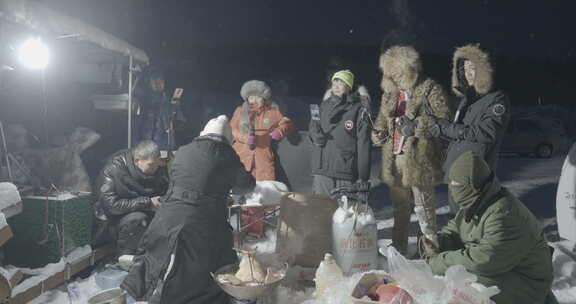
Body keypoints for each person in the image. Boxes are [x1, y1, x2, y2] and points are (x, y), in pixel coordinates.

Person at [122, 115, 256, 304]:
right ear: (227, 138)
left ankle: (144, 293)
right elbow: (247, 184)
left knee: (159, 257)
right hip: (201, 219)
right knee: (204, 263)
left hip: (168, 214)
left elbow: (186, 178)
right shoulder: (226, 154)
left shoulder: (184, 150)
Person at [423, 152, 554, 304]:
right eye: (451, 184)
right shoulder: (476, 201)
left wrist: (439, 261)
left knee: (461, 281)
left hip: (526, 283)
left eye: (456, 185)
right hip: (503, 272)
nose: (452, 190)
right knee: (453, 279)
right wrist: (440, 242)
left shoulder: (504, 214)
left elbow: (484, 260)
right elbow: (457, 227)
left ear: (473, 186)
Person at [372, 46, 451, 254]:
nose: (394, 76)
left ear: (409, 67)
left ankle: (431, 250)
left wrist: (416, 126)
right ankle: (399, 248)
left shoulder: (428, 87)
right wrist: (378, 133)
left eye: (398, 70)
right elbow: (381, 121)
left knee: (424, 209)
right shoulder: (390, 95)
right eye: (391, 72)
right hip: (395, 159)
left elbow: (442, 118)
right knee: (400, 208)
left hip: (418, 159)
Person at [428, 44, 510, 178]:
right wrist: (440, 128)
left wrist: (448, 128)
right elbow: (459, 135)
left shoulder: (497, 100)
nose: (468, 74)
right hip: (456, 171)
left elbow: (487, 133)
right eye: (465, 69)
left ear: (484, 70)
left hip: (474, 174)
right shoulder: (467, 99)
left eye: (472, 68)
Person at [230, 80, 293, 236]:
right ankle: (240, 230)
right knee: (241, 195)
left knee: (261, 195)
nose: (253, 100)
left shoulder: (272, 112)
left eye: (256, 96)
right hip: (242, 159)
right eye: (250, 96)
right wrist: (245, 138)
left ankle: (258, 231)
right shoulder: (240, 111)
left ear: (263, 97)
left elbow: (287, 122)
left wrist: (280, 131)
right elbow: (232, 129)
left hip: (263, 160)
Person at [93, 140, 168, 255]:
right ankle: (126, 257)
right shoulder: (114, 169)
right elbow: (111, 205)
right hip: (113, 220)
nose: (155, 168)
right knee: (137, 219)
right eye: (151, 165)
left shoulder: (157, 169)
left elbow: (165, 191)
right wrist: (147, 203)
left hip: (143, 211)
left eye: (157, 164)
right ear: (137, 161)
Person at [309, 69, 372, 196]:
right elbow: (313, 130)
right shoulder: (324, 106)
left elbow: (363, 144)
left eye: (341, 82)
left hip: (345, 171)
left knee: (344, 214)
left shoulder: (358, 109)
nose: (336, 86)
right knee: (321, 212)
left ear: (349, 87)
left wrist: (363, 177)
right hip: (322, 170)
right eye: (335, 82)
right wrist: (316, 136)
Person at [133, 68, 186, 155]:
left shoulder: (170, 101)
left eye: (161, 82)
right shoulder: (144, 101)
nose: (158, 85)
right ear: (150, 84)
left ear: (164, 83)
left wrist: (175, 110)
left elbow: (179, 121)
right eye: (155, 83)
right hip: (146, 142)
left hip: (165, 144)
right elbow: (138, 122)